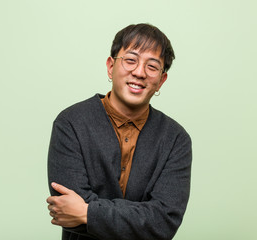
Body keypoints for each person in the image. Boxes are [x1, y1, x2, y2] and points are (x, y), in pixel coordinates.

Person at [46, 23, 192, 240]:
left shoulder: (176, 139)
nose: (139, 72)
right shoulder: (71, 123)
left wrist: (87, 212)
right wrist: (142, 219)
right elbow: (66, 212)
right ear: (110, 66)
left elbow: (164, 223)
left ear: (161, 80)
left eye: (152, 66)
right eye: (131, 60)